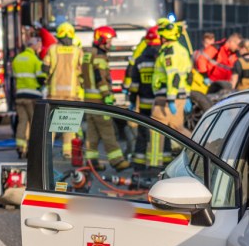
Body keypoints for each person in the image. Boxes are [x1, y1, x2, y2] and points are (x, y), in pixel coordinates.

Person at [81, 26, 129, 171]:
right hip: (99, 100)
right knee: (108, 130)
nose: (111, 44)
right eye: (109, 41)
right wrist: (107, 95)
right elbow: (100, 78)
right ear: (101, 40)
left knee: (92, 133)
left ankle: (91, 162)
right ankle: (117, 161)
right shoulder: (99, 57)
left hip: (88, 100)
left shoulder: (88, 54)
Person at [150, 20, 192, 164]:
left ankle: (155, 163)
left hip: (166, 97)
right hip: (180, 96)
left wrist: (170, 98)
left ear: (164, 37)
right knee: (177, 128)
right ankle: (201, 149)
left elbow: (173, 76)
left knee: (156, 128)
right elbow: (188, 75)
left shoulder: (169, 51)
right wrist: (187, 95)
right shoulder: (182, 50)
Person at [44, 22, 85, 156]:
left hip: (54, 94)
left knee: (52, 125)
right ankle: (67, 152)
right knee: (69, 124)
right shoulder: (78, 51)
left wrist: (46, 81)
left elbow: (45, 68)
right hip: (71, 94)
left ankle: (47, 152)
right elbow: (82, 71)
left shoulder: (52, 49)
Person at [125, 28, 161, 167]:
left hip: (144, 105)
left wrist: (132, 101)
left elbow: (134, 85)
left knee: (142, 133)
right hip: (159, 105)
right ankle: (156, 164)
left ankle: (139, 164)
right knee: (158, 135)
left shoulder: (140, 60)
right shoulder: (161, 59)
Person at [11, 36, 45, 159]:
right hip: (32, 96)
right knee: (33, 123)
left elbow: (14, 78)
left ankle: (20, 148)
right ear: (33, 46)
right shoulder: (35, 60)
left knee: (22, 122)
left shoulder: (17, 59)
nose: (40, 48)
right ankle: (32, 149)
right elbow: (41, 79)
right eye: (39, 45)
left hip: (20, 96)